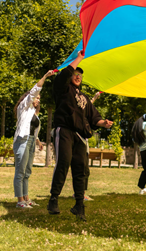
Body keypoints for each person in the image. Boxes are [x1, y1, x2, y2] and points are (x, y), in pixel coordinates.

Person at [47, 51, 113, 221]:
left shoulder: (83, 97)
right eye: (75, 74)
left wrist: (103, 123)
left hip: (80, 136)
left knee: (80, 170)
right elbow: (65, 74)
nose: (77, 77)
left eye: (80, 76)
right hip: (65, 130)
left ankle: (79, 205)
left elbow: (93, 117)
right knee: (63, 163)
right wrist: (79, 58)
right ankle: (53, 200)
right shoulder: (63, 88)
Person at [13, 70, 55, 208]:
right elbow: (34, 91)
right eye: (37, 98)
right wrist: (45, 76)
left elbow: (33, 130)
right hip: (22, 141)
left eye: (39, 99)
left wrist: (38, 142)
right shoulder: (24, 107)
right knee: (20, 171)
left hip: (30, 142)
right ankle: (20, 201)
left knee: (27, 171)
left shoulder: (34, 115)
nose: (38, 99)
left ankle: (26, 198)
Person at [72, 91, 102, 202]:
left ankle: (80, 193)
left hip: (85, 145)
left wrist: (94, 97)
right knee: (83, 170)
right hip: (80, 144)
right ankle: (80, 193)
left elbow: (87, 107)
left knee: (85, 171)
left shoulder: (85, 115)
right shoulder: (79, 120)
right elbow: (83, 109)